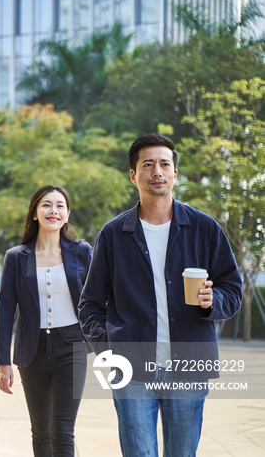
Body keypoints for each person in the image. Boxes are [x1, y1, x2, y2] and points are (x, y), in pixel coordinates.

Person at [78, 133, 242, 457]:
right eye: (148, 164)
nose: (157, 172)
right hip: (132, 368)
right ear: (133, 175)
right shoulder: (113, 234)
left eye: (165, 164)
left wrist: (214, 301)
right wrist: (109, 351)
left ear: (175, 173)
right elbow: (90, 305)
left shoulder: (205, 229)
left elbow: (232, 289)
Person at [0, 185, 92, 456]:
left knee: (62, 430)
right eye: (46, 205)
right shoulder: (16, 257)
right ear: (35, 213)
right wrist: (4, 362)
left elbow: (98, 298)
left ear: (67, 214)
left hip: (71, 346)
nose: (53, 211)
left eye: (60, 205)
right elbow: (5, 312)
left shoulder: (83, 251)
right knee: (40, 430)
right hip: (31, 349)